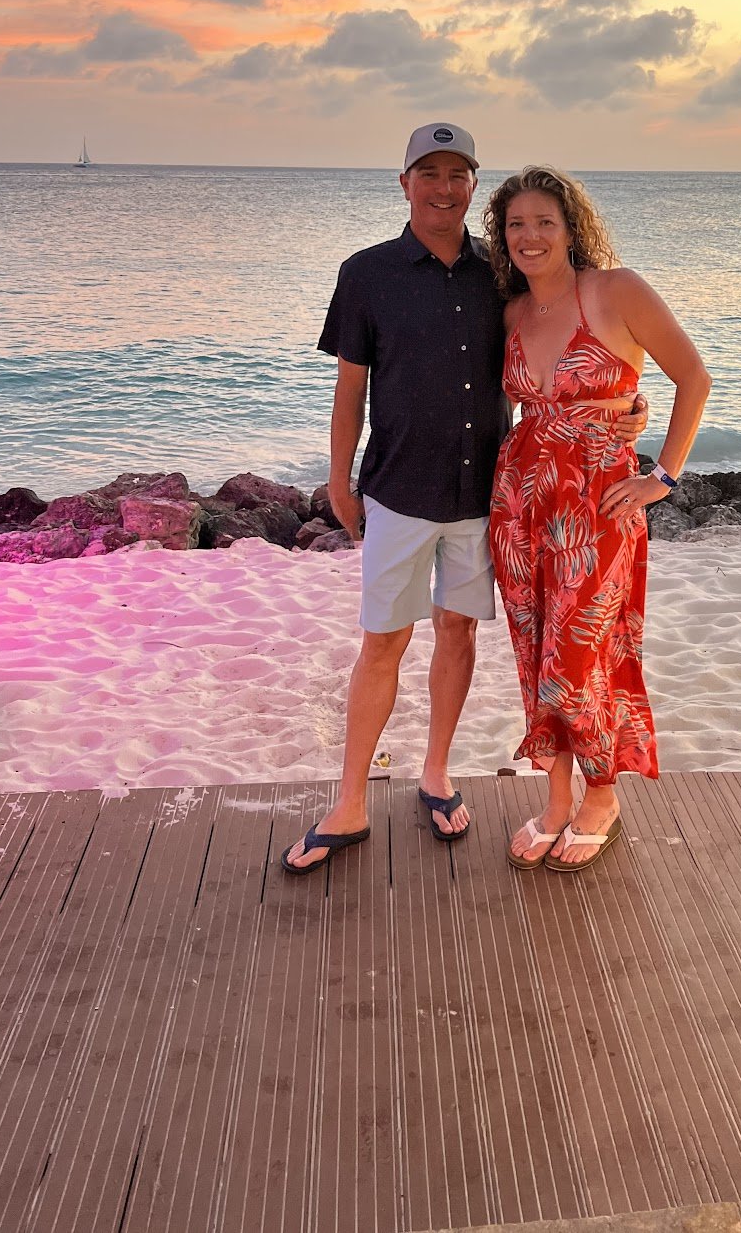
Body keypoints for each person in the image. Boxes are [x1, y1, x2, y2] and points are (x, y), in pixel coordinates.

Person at [282, 127, 647, 873]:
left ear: (474, 185)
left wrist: (625, 409)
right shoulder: (367, 274)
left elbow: (560, 355)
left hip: (491, 499)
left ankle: (437, 774)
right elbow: (349, 389)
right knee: (382, 641)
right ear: (405, 182)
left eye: (458, 174)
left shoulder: (504, 277)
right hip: (398, 492)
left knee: (460, 636)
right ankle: (350, 802)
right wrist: (339, 478)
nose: (444, 188)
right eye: (429, 173)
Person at [485, 166, 711, 873]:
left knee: (582, 652)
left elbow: (693, 377)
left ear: (571, 227)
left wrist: (661, 478)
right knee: (535, 652)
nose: (529, 236)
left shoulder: (616, 291)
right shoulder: (512, 313)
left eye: (544, 222)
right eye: (515, 224)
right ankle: (556, 798)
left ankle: (603, 796)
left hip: (599, 503)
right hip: (521, 501)